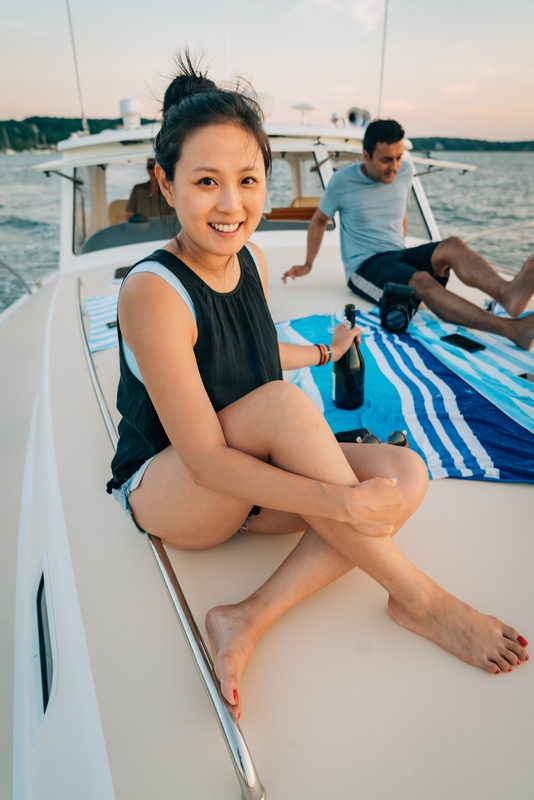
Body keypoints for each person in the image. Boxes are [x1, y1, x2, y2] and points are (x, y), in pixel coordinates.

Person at [106, 55, 529, 720]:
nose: (230, 203)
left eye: (247, 180)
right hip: (176, 490)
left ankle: (245, 617)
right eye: (206, 181)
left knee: (403, 473)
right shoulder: (152, 291)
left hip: (248, 484)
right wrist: (336, 500)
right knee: (297, 424)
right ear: (165, 183)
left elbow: (250, 344)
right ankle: (420, 599)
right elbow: (206, 460)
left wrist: (324, 350)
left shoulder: (248, 258)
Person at [283, 119, 534, 350]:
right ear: (366, 156)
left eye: (399, 157)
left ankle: (508, 293)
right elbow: (319, 221)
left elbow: (400, 214)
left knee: (452, 245)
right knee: (422, 281)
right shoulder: (341, 182)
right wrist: (308, 264)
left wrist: (404, 257)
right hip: (364, 267)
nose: (395, 167)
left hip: (397, 254)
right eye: (386, 160)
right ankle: (513, 330)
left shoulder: (405, 172)